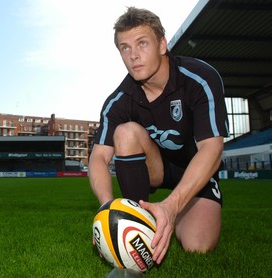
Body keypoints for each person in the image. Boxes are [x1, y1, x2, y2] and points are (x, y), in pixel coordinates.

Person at [89, 7, 229, 265]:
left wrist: (173, 205)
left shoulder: (200, 78)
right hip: (157, 168)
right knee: (125, 132)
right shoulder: (119, 101)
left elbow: (212, 149)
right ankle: (140, 218)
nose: (134, 55)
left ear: (162, 45)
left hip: (195, 171)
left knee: (198, 246)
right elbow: (98, 157)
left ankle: (173, 210)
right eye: (125, 48)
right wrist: (108, 209)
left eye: (142, 43)